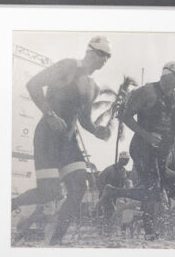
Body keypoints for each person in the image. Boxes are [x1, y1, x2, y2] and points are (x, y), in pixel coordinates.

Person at [21, 35, 114, 244]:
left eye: (108, 56)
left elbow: (84, 119)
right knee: (48, 193)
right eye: (101, 53)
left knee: (79, 188)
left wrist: (97, 131)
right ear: (90, 51)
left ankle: (55, 240)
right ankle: (11, 204)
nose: (104, 59)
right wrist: (49, 114)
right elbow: (33, 84)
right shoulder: (68, 66)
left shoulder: (94, 87)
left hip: (69, 141)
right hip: (48, 135)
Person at [119, 60, 175, 210]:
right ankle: (150, 227)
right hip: (142, 147)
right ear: (165, 74)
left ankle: (113, 192)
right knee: (153, 188)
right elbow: (126, 116)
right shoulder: (148, 91)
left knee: (160, 190)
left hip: (161, 151)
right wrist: (146, 135)